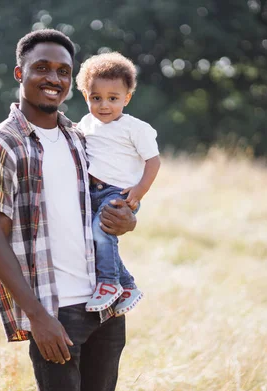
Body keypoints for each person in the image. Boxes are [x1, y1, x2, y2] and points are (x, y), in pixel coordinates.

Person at [0, 29, 137, 391]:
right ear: (20, 73)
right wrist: (38, 318)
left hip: (104, 307)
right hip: (56, 314)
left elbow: (108, 203)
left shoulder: (81, 139)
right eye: (42, 68)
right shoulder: (1, 145)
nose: (54, 79)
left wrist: (128, 219)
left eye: (64, 71)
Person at [76, 52, 161, 316]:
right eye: (96, 98)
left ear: (127, 98)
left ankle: (109, 284)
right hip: (93, 192)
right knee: (95, 239)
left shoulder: (135, 128)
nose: (104, 105)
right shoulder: (85, 125)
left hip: (119, 193)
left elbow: (153, 162)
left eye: (113, 99)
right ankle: (127, 285)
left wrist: (139, 191)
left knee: (101, 233)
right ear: (85, 96)